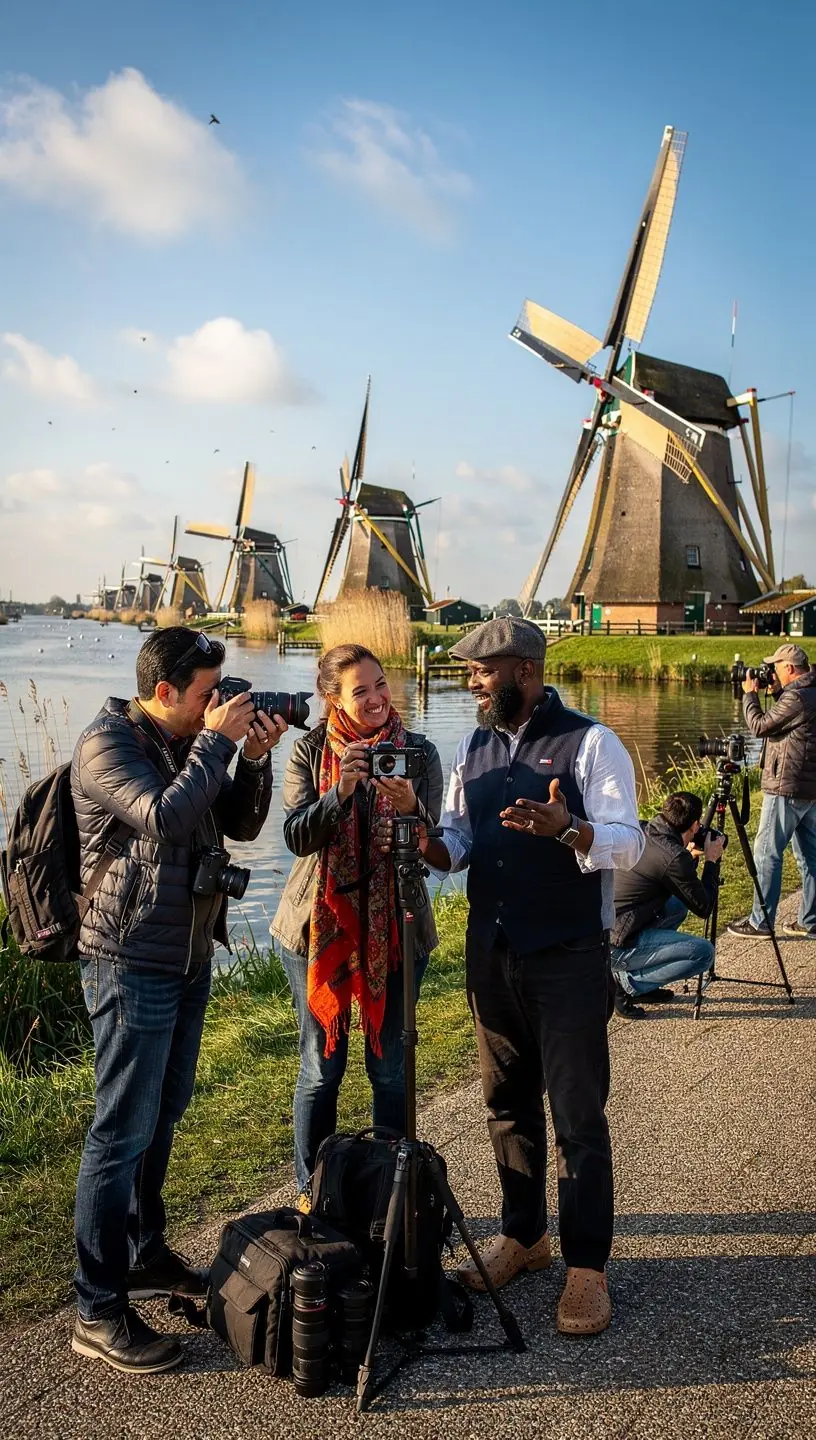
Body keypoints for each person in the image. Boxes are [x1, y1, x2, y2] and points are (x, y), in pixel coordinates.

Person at [414, 617, 643, 1336]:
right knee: (505, 1100)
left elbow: (630, 843)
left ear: (523, 667)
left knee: (577, 1114)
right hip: (491, 949)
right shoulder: (472, 746)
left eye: (483, 670)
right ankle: (525, 1237)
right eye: (471, 672)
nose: (473, 682)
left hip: (568, 952)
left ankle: (587, 1266)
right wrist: (424, 839)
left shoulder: (592, 742)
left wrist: (568, 829)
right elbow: (457, 839)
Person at [70, 627, 286, 1374]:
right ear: (164, 691)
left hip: (187, 955)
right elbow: (163, 815)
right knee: (119, 1132)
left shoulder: (189, 743)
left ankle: (142, 1252)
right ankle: (96, 1309)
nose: (216, 706)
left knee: (164, 1112)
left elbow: (241, 824)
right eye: (205, 695)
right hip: (128, 961)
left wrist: (252, 758)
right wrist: (219, 747)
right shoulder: (107, 745)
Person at [270, 643, 442, 1206]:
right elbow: (297, 836)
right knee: (323, 1066)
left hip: (397, 927)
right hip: (317, 930)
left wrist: (412, 806)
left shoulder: (418, 752)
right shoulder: (310, 752)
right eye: (359, 690)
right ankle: (312, 1193)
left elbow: (436, 844)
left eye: (381, 684)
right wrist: (339, 792)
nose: (375, 699)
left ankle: (388, 1197)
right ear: (331, 698)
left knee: (389, 1067)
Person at [610, 791, 726, 1017]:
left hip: (607, 928)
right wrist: (711, 861)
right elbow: (704, 908)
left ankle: (643, 985)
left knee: (677, 905)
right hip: (616, 944)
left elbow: (674, 881)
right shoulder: (673, 856)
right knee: (703, 953)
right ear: (694, 825)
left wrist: (688, 856)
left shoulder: (642, 828)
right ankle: (625, 983)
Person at [728, 643, 816, 940]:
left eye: (776, 666)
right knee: (810, 857)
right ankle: (810, 920)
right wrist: (777, 693)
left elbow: (759, 726)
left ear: (789, 668)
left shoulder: (799, 696)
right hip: (808, 786)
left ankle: (760, 923)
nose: (771, 672)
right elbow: (790, 724)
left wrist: (750, 694)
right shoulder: (809, 691)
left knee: (767, 853)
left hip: (787, 786)